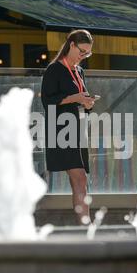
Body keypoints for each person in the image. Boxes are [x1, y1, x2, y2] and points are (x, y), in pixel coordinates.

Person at [41, 29, 94, 225]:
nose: (84, 56)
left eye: (87, 53)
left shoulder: (79, 71)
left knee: (80, 180)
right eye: (82, 51)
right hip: (61, 129)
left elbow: (79, 101)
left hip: (78, 128)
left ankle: (84, 225)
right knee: (79, 178)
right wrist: (75, 98)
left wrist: (87, 104)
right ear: (71, 45)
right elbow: (48, 101)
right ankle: (85, 224)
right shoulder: (55, 69)